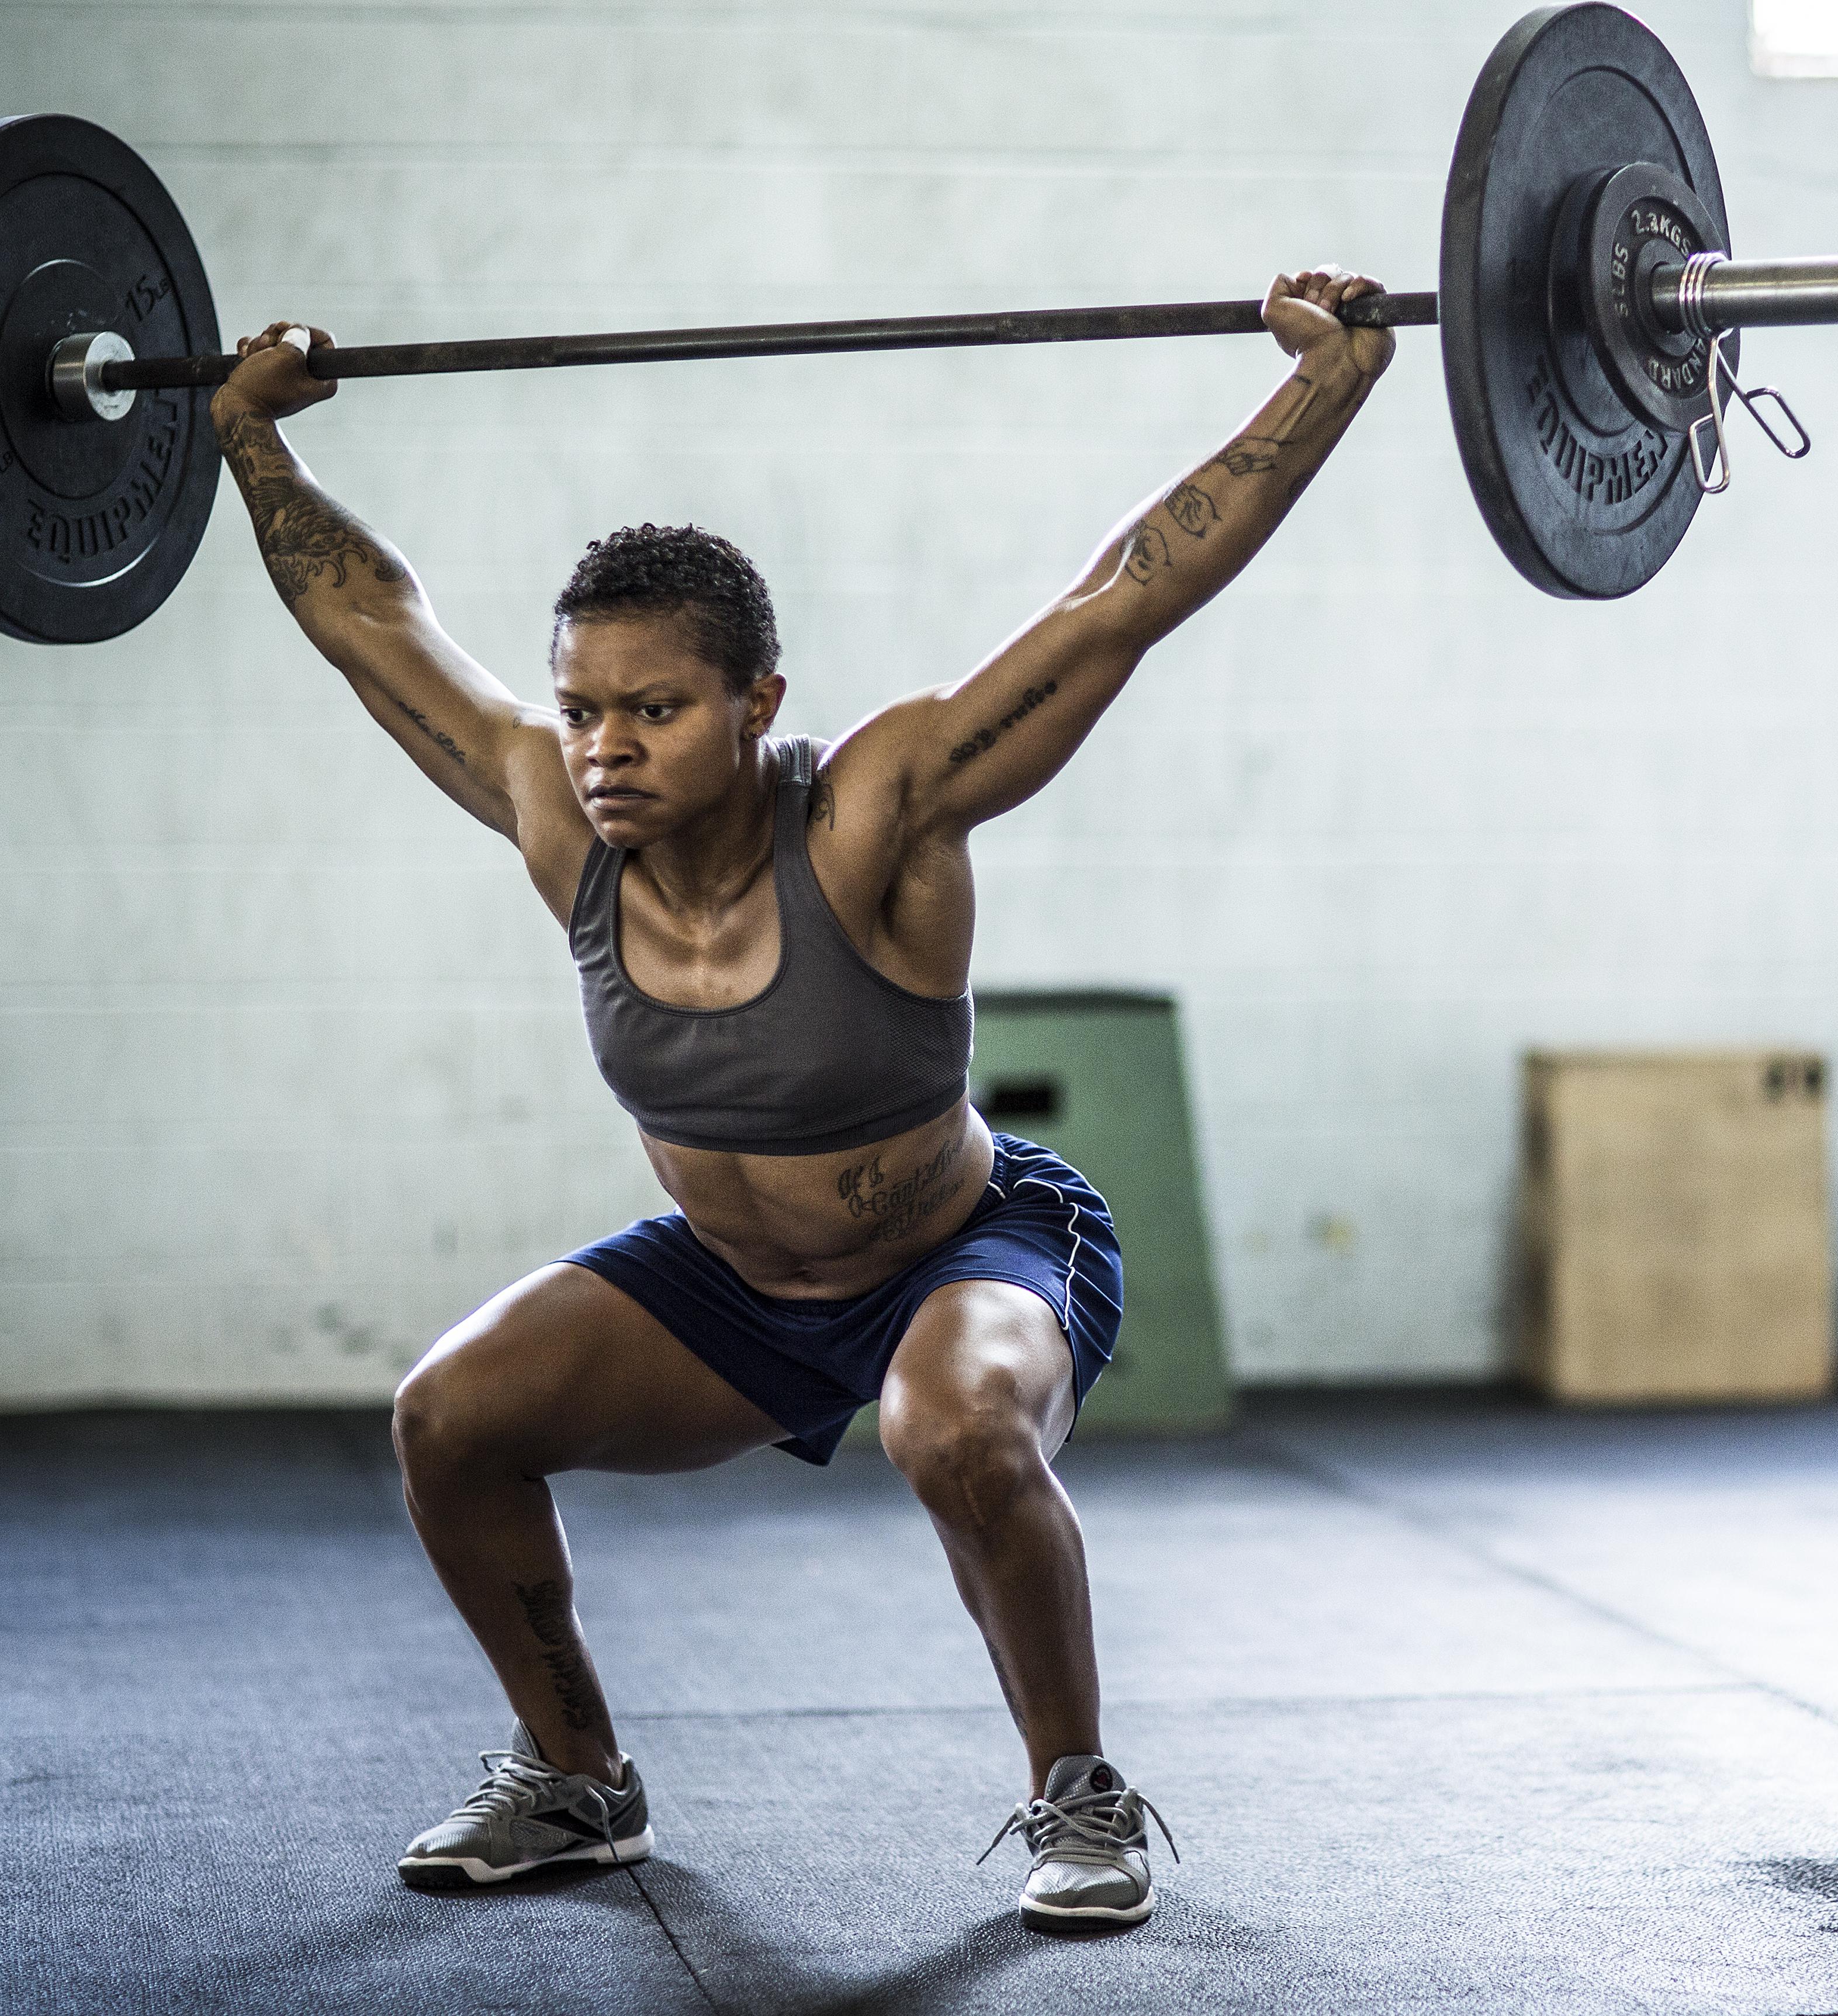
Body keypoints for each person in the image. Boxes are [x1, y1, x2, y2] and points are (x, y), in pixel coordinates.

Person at [205, 268, 1393, 1928]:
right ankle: (578, 1775)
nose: (606, 746)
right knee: (449, 1418)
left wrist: (1328, 381)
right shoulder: (560, 818)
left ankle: (1080, 1794)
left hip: (969, 1246)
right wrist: (246, 437)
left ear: (759, 704)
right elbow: (371, 620)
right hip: (738, 1290)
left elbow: (1122, 598)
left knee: (954, 1426)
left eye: (656, 708)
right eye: (584, 707)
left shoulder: (874, 813)